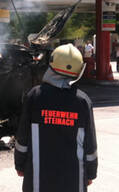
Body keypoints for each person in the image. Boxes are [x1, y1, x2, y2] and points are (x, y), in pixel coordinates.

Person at [14, 44, 98, 192]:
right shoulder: (83, 101)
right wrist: (91, 173)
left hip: (38, 181)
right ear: (78, 71)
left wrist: (20, 164)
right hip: (73, 181)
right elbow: (90, 143)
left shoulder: (34, 96)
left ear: (51, 65)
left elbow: (23, 137)